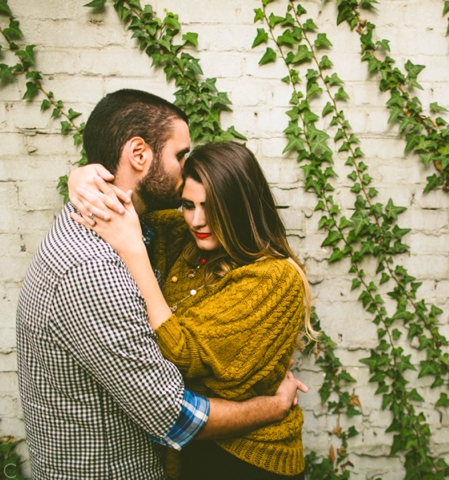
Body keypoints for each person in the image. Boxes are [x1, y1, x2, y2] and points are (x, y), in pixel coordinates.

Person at [16, 89, 306, 480]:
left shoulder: (143, 234)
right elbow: (173, 414)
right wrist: (271, 407)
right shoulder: (98, 265)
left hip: (243, 462)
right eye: (180, 155)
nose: (185, 173)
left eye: (210, 207)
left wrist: (92, 184)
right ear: (139, 154)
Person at [71, 142, 312, 479]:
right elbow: (123, 207)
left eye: (212, 207)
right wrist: (80, 180)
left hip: (250, 457)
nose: (197, 220)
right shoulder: (181, 235)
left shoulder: (275, 277)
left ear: (241, 207)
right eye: (188, 205)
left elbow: (184, 354)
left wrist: (134, 252)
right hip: (192, 445)